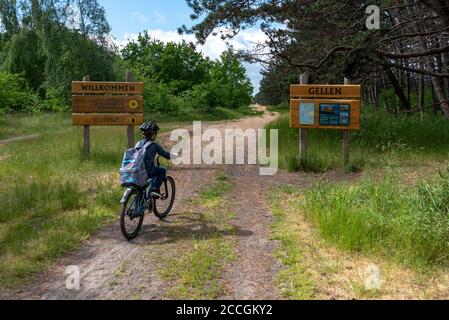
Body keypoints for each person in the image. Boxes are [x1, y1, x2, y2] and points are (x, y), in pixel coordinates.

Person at [138, 121, 175, 198]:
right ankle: (154, 189)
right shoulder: (154, 145)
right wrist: (175, 156)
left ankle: (139, 207)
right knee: (162, 171)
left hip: (137, 170)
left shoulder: (138, 143)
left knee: (140, 187)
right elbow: (165, 154)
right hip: (147, 171)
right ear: (153, 134)